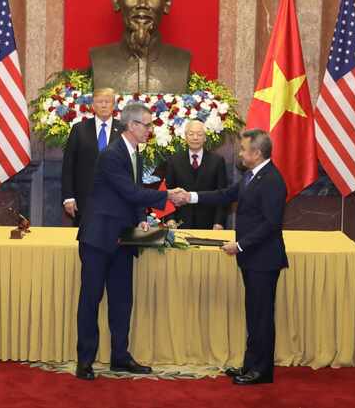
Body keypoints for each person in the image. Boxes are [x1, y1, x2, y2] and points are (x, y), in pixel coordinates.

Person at [75, 102, 186, 381]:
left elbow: (131, 196)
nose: (150, 129)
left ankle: (120, 357)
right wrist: (167, 197)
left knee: (122, 301)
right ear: (132, 126)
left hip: (123, 239)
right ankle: (85, 361)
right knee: (91, 299)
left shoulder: (133, 151)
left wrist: (141, 218)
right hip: (99, 238)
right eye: (147, 125)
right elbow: (129, 190)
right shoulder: (112, 154)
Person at [174, 129, 288, 385]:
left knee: (261, 317)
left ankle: (261, 372)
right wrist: (190, 196)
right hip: (253, 259)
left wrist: (240, 245)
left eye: (243, 150)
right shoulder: (253, 175)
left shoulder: (272, 180)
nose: (240, 154)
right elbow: (225, 194)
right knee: (254, 314)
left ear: (256, 153)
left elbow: (271, 224)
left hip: (263, 260)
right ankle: (250, 365)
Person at [90, 0, 191, 93]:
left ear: (167, 1)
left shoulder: (181, 61)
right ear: (116, 0)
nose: (142, 4)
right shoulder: (99, 59)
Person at [61, 88, 122, 226]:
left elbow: (131, 168)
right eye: (100, 101)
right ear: (93, 106)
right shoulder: (79, 129)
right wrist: (68, 197)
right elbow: (68, 165)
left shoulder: (124, 130)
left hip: (117, 200)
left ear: (114, 105)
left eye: (108, 101)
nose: (104, 105)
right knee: (85, 243)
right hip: (84, 200)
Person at [164, 119, 228, 230]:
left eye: (199, 134)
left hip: (209, 224)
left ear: (205, 137)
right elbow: (168, 191)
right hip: (180, 223)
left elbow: (223, 194)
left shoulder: (217, 161)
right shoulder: (173, 161)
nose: (195, 138)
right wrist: (170, 218)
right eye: (191, 134)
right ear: (185, 136)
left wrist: (219, 222)